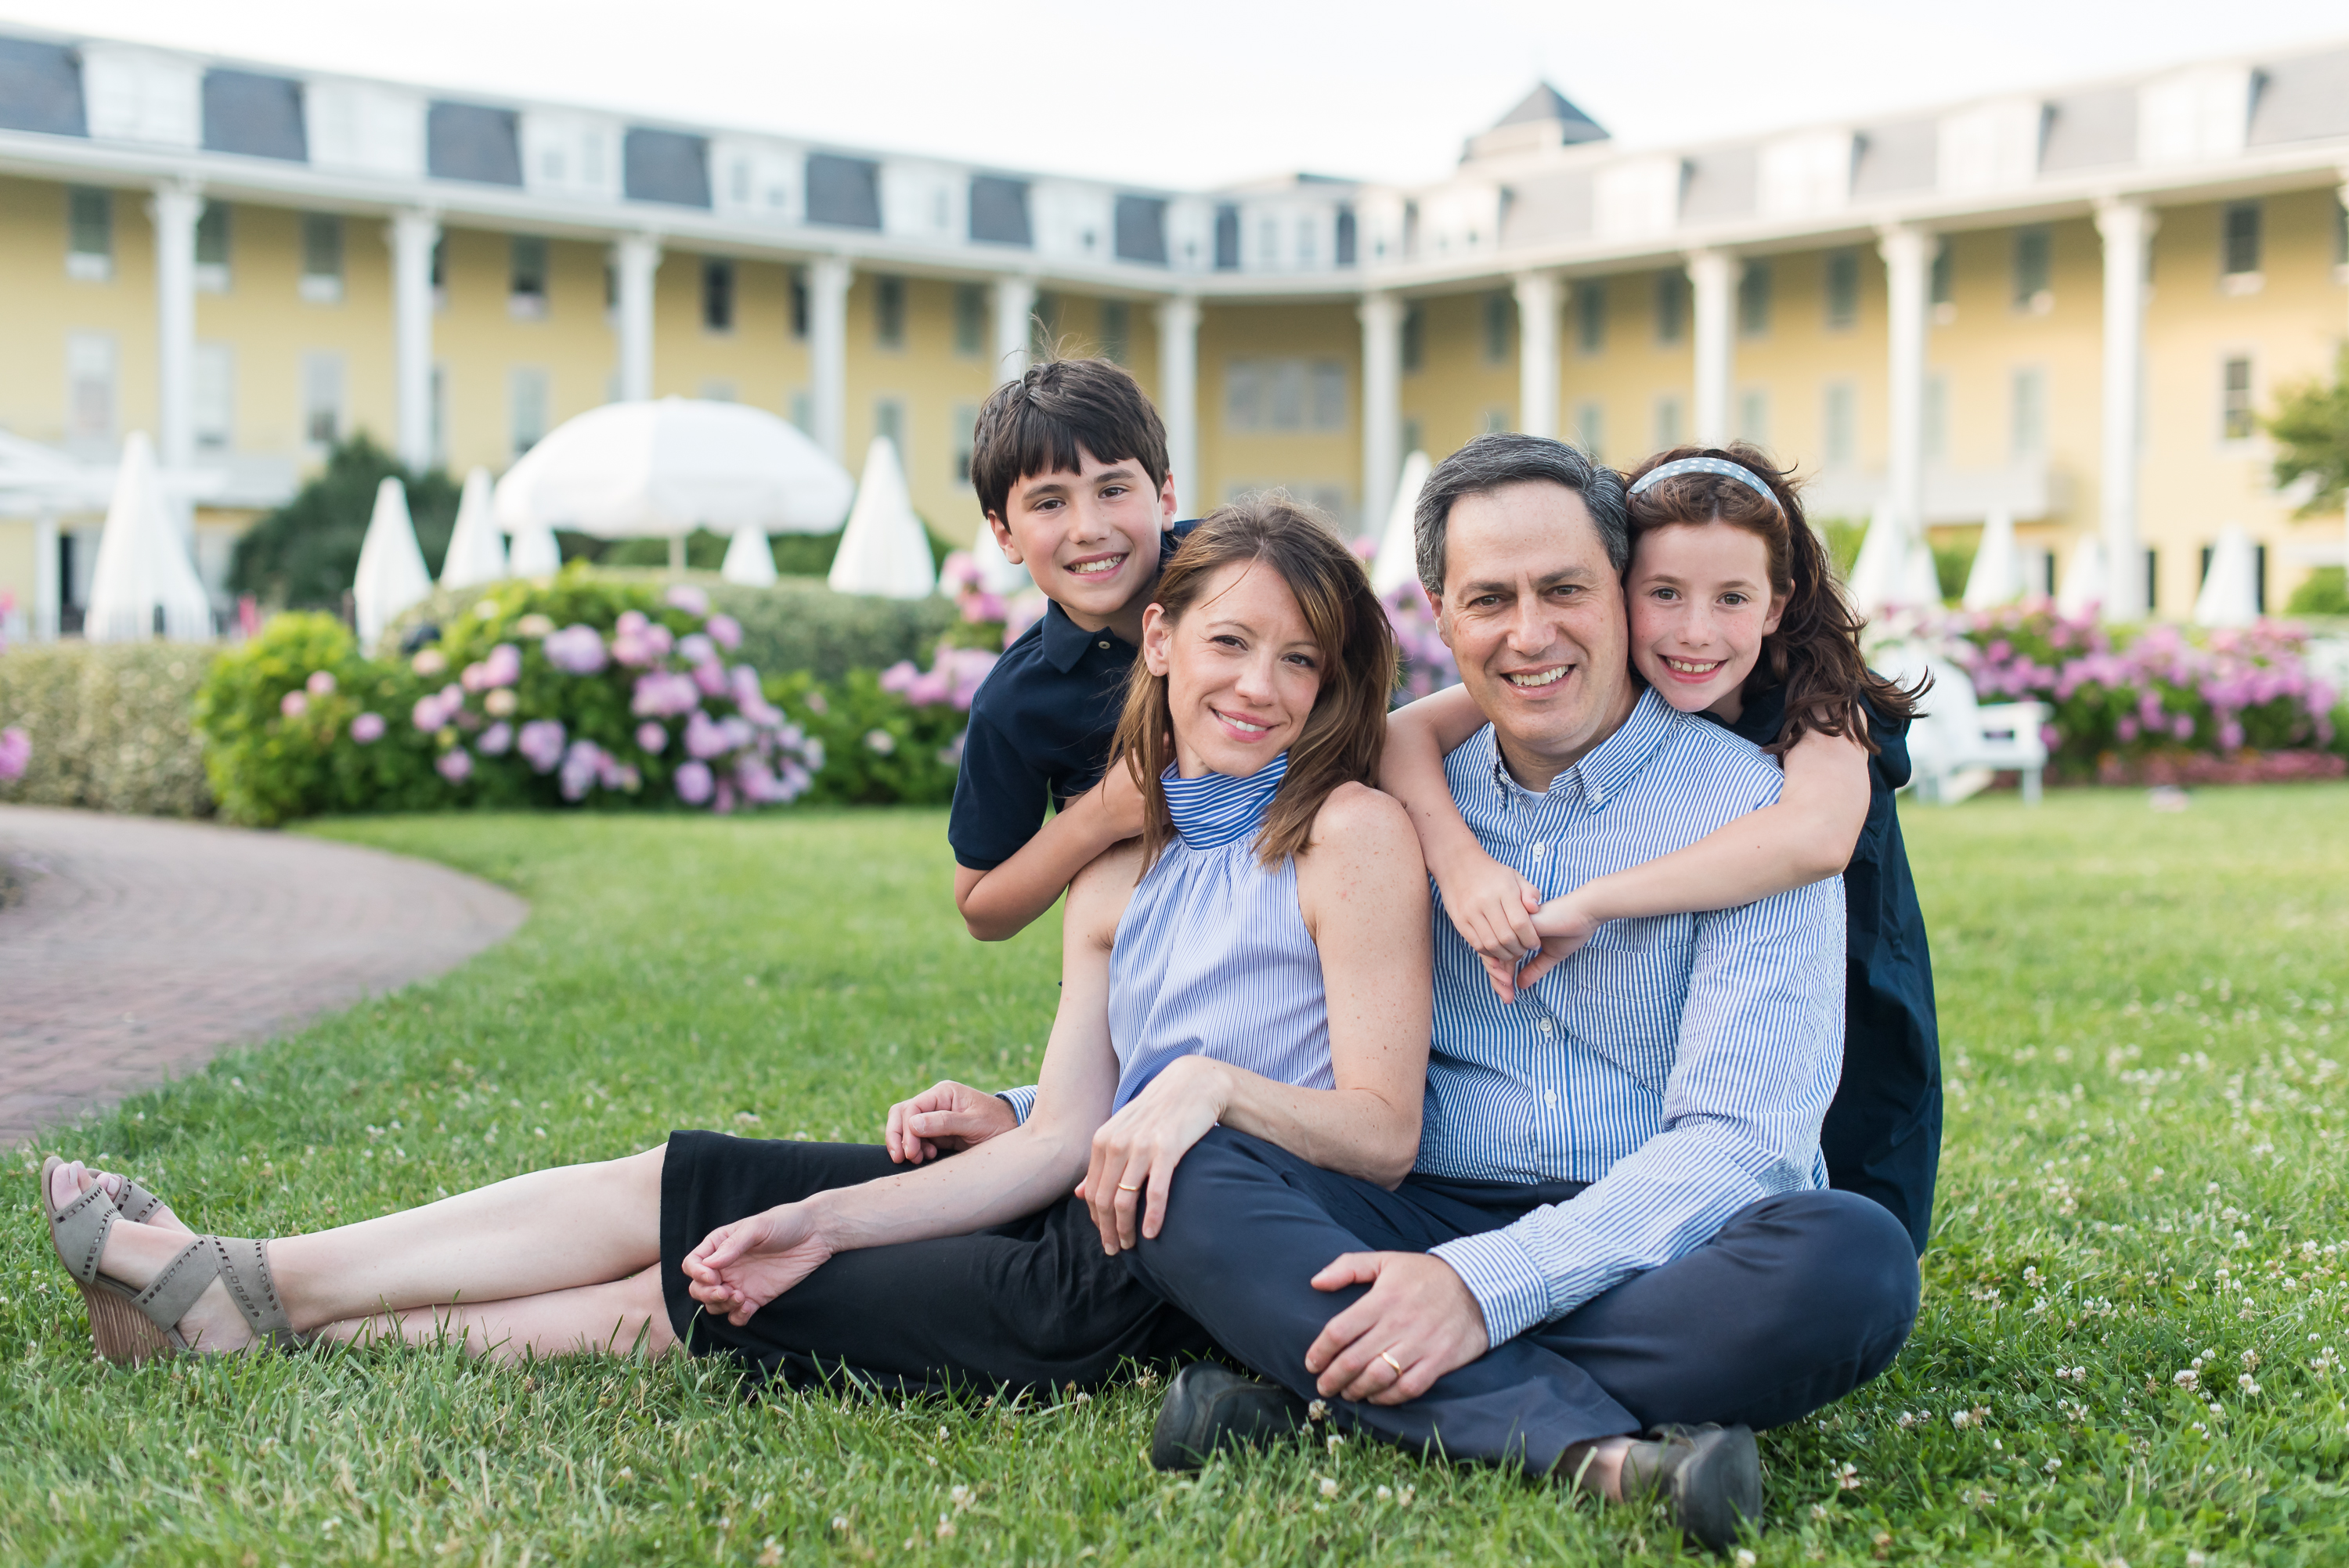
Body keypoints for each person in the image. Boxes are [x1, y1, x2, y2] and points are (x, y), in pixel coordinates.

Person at [39, 499, 1433, 1404]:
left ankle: (256, 1317)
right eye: (1233, 642)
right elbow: (1049, 1142)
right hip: (1058, 1202)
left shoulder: (1348, 834)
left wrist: (1205, 1088)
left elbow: (1380, 1130)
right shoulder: (1114, 867)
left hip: (1149, 1278)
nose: (1260, 686)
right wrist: (820, 1205)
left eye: (1301, 661)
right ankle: (254, 1274)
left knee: (695, 1288)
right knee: (686, 1184)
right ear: (1161, 636)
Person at [1122, 434, 1921, 1554]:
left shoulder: (1766, 818)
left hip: (1656, 1234)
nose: (1530, 632)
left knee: (1853, 1259)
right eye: (1491, 597)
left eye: (1564, 590)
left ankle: (1321, 1397)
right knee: (1192, 1164)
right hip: (1418, 1197)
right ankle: (1577, 1444)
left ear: (1620, 596)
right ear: (1442, 617)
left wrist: (1478, 1284)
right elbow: (1257, 1016)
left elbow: (1746, 1144)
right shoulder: (1396, 798)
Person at [1379, 442, 1939, 1252]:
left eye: (1732, 598)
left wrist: (1597, 899)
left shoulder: (1822, 703)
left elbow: (1813, 838)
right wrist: (1461, 863)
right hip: (1696, 979)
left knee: (1849, 1216)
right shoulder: (1570, 675)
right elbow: (1401, 736)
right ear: (1619, 590)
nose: (1694, 632)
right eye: (1664, 594)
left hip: (1838, 969)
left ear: (1778, 603)